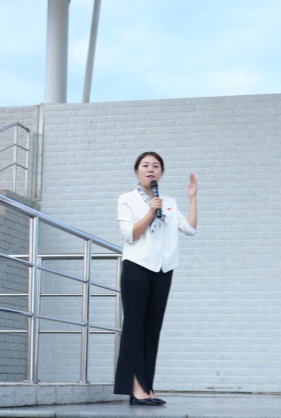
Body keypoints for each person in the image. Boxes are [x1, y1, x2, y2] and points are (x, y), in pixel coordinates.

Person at [113, 151, 198, 406]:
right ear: (137, 170)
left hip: (163, 270)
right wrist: (150, 212)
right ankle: (135, 388)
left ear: (161, 172)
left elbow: (190, 228)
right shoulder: (127, 199)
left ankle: (147, 386)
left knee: (152, 329)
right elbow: (129, 234)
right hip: (137, 268)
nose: (151, 169)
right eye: (145, 165)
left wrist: (192, 199)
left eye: (156, 166)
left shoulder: (169, 201)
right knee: (134, 328)